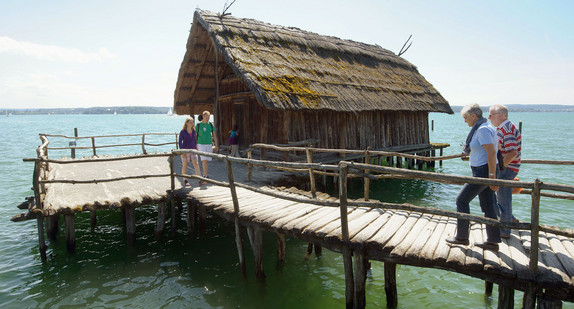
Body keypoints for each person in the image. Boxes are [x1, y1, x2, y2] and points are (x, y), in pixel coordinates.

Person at [446, 103, 501, 251]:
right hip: (484, 170)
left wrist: (491, 176)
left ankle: (462, 237)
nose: (465, 121)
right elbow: (493, 150)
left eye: (465, 118)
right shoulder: (486, 127)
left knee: (461, 200)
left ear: (474, 116)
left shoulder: (482, 130)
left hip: (483, 172)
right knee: (488, 204)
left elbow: (491, 152)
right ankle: (493, 240)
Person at [488, 104, 521, 239]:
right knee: (496, 197)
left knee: (503, 199)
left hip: (507, 168)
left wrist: (500, 168)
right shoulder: (506, 127)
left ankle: (505, 231)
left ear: (500, 115)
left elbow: (512, 152)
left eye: (491, 115)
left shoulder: (505, 129)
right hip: (508, 167)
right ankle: (509, 219)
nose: (489, 118)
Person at [195, 110, 218, 185]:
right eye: (206, 117)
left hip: (209, 144)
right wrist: (195, 145)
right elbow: (195, 136)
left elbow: (214, 135)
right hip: (201, 144)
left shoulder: (210, 125)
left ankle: (205, 174)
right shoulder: (198, 125)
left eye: (209, 117)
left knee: (207, 160)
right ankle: (205, 175)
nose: (208, 118)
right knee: (204, 160)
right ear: (203, 116)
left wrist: (216, 144)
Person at [178, 117, 201, 187]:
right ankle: (185, 180)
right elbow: (180, 142)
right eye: (190, 122)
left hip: (193, 150)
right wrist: (182, 151)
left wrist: (196, 146)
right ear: (187, 123)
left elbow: (195, 139)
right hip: (185, 150)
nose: (192, 123)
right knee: (185, 165)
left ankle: (200, 179)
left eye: (192, 122)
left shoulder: (193, 131)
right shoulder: (182, 132)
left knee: (196, 164)